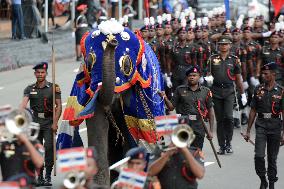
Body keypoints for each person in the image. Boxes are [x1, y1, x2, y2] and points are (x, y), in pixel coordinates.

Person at [20, 62, 62, 186]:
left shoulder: (54, 87)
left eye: (42, 72)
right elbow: (23, 105)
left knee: (49, 148)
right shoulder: (29, 88)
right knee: (36, 149)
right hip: (35, 123)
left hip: (49, 122)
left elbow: (58, 106)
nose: (40, 74)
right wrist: (20, 115)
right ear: (35, 74)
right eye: (38, 72)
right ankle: (40, 176)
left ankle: (48, 175)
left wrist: (55, 122)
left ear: (46, 73)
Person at [244, 62, 284, 189]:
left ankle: (271, 183)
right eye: (262, 73)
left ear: (273, 74)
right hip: (261, 125)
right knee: (259, 156)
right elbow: (253, 111)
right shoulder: (258, 89)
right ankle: (263, 179)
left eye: (266, 74)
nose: (263, 76)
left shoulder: (281, 91)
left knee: (272, 158)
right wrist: (248, 131)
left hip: (275, 126)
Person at [206, 35, 246, 155]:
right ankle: (221, 146)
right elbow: (207, 73)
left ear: (230, 45)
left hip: (229, 91)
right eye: (221, 44)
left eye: (226, 44)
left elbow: (238, 78)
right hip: (216, 91)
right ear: (218, 46)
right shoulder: (212, 58)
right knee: (220, 119)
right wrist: (207, 79)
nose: (223, 46)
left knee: (229, 117)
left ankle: (228, 143)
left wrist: (243, 94)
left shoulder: (234, 59)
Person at [160, 65, 214, 149]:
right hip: (183, 125)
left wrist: (210, 131)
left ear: (199, 76)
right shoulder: (180, 90)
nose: (192, 77)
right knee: (183, 154)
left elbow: (211, 111)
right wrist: (165, 97)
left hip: (199, 126)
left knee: (197, 153)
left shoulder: (206, 91)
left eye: (194, 75)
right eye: (190, 75)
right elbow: (171, 108)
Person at [0, 105, 44, 186]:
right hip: (9, 186)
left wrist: (26, 141)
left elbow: (39, 163)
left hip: (27, 185)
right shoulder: (5, 144)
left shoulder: (35, 143)